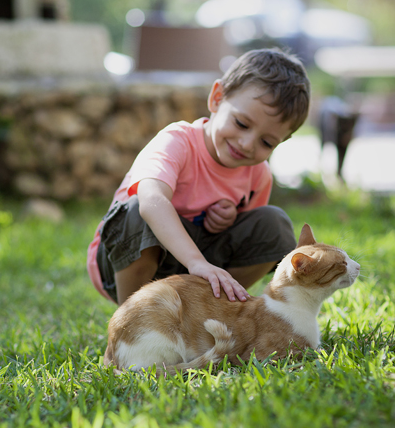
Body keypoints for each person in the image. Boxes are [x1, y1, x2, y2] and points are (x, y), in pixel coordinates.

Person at [87, 48, 311, 305]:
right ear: (217, 97)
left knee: (275, 225)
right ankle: (133, 322)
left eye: (266, 142)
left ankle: (208, 307)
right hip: (124, 262)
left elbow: (245, 238)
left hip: (196, 269)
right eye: (241, 123)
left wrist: (228, 220)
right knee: (138, 208)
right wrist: (196, 262)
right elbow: (151, 199)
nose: (248, 143)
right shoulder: (177, 141)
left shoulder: (257, 175)